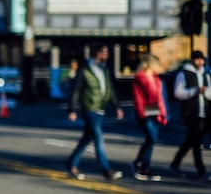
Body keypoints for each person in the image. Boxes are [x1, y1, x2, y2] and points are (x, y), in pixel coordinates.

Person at [65, 43, 124, 181]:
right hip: (89, 108)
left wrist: (117, 107)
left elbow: (110, 90)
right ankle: (106, 170)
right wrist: (72, 110)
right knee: (98, 139)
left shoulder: (105, 69)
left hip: (100, 108)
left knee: (86, 139)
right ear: (96, 53)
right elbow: (76, 90)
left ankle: (71, 163)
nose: (107, 55)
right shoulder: (84, 69)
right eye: (104, 52)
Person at [169, 50, 211, 181]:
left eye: (202, 60)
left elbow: (210, 93)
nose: (200, 62)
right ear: (192, 60)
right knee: (196, 140)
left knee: (191, 139)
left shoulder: (205, 74)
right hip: (190, 112)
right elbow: (178, 93)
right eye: (198, 60)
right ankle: (201, 170)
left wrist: (205, 92)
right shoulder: (184, 74)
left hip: (203, 111)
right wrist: (194, 91)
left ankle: (175, 163)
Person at [131, 53, 167, 181]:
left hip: (155, 111)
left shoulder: (156, 79)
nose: (158, 66)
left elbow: (160, 97)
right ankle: (138, 163)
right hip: (144, 112)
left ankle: (145, 167)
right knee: (150, 138)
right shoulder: (140, 77)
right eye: (156, 64)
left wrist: (163, 113)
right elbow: (138, 97)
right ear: (150, 64)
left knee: (152, 140)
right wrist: (141, 113)